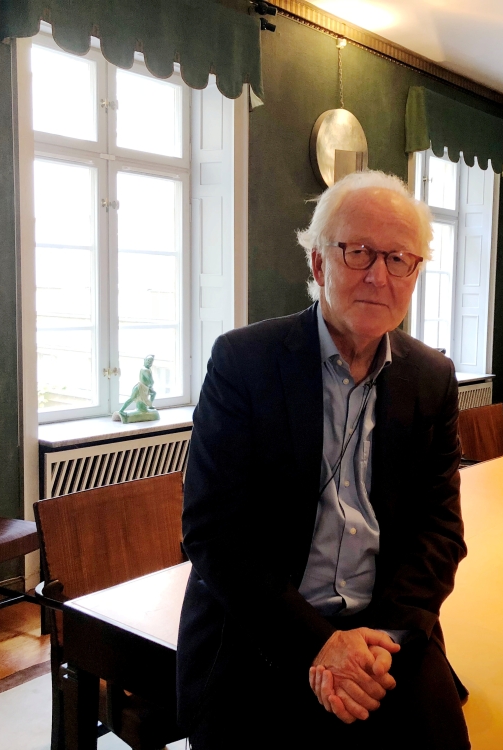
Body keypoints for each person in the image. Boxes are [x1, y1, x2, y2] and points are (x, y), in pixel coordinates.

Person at [177, 170, 470, 749]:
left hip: (387, 628)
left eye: (398, 259)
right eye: (358, 252)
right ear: (317, 264)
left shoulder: (431, 377)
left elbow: (440, 529)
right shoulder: (244, 363)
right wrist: (318, 643)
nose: (378, 275)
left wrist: (378, 639)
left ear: (414, 274)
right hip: (265, 628)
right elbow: (213, 534)